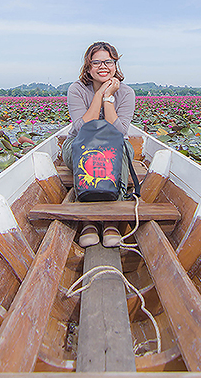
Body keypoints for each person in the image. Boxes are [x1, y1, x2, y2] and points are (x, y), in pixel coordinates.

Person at [63, 41, 136, 247]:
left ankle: (112, 221)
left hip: (115, 146)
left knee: (120, 152)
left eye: (108, 62)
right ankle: (88, 221)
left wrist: (109, 98)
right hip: (78, 144)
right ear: (88, 67)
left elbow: (120, 132)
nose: (103, 66)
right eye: (96, 62)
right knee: (87, 154)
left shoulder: (127, 93)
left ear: (115, 65)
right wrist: (99, 94)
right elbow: (81, 128)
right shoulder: (76, 89)